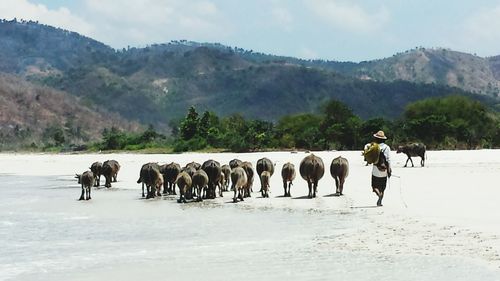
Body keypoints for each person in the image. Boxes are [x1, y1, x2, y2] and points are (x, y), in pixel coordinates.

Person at [371, 130, 391, 206]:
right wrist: (389, 170)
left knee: (374, 186)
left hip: (375, 169)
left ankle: (378, 194)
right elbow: (388, 160)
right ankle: (380, 200)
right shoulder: (387, 147)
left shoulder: (374, 146)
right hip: (384, 169)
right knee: (382, 186)